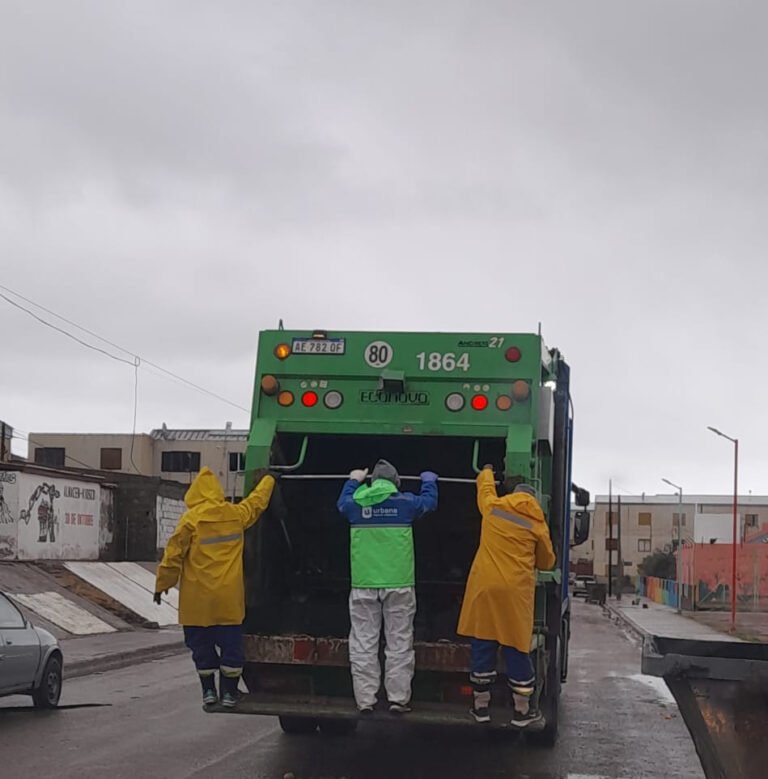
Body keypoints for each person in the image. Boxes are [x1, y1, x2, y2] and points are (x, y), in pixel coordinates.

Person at [154, 466, 276, 708]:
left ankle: (209, 692)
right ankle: (229, 693)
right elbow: (256, 503)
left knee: (201, 648)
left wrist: (162, 585)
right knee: (231, 649)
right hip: (227, 600)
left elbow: (173, 556)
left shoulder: (190, 520)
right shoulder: (234, 514)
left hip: (196, 603)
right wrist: (269, 480)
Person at [337, 460, 438, 715]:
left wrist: (353, 480)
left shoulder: (356, 504)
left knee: (363, 642)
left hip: (364, 584)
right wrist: (429, 481)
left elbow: (342, 503)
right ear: (396, 482)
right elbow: (429, 503)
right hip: (399, 583)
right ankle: (398, 699)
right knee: (399, 641)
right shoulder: (405, 503)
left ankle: (365, 701)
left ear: (373, 481)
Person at [457, 465, 555, 728]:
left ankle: (481, 708)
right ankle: (522, 711)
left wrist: (487, 472)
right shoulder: (536, 523)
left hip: (486, 587)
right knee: (516, 647)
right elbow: (547, 562)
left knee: (483, 643)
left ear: (513, 495)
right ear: (534, 500)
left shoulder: (494, 508)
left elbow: (485, 490)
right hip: (515, 593)